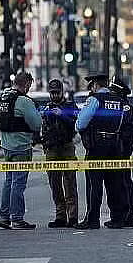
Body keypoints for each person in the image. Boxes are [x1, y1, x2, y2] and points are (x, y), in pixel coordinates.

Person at [74, 74, 133, 230]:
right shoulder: (119, 101)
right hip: (115, 145)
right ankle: (117, 218)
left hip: (97, 145)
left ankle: (92, 219)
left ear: (95, 85)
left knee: (94, 184)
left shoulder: (95, 100)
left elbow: (80, 124)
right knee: (115, 183)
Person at [0, 72, 42, 230]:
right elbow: (36, 124)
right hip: (21, 147)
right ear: (27, 84)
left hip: (6, 146)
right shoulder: (24, 101)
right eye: (29, 85)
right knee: (18, 184)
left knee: (9, 182)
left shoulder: (3, 97)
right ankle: (17, 218)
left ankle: (4, 216)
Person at [41, 79, 79, 228]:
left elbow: (76, 124)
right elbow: (43, 127)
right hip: (52, 148)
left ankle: (73, 216)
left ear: (62, 92)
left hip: (66, 146)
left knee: (70, 182)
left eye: (57, 92)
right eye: (52, 93)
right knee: (55, 183)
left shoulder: (70, 106)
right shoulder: (47, 108)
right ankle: (60, 215)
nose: (55, 95)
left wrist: (62, 114)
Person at [109, 76, 133, 228]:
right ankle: (121, 215)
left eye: (113, 90)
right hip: (117, 148)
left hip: (122, 149)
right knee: (118, 182)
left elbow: (123, 129)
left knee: (123, 183)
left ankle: (126, 216)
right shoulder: (117, 104)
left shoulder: (124, 106)